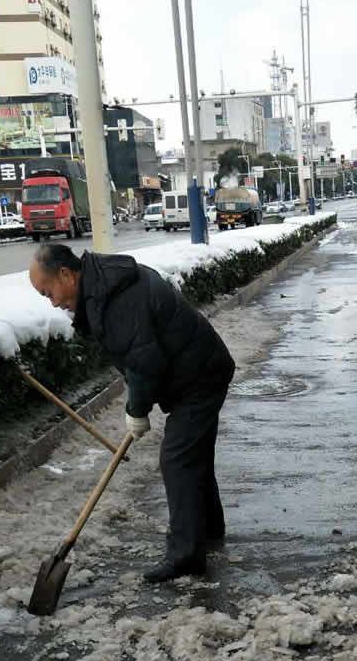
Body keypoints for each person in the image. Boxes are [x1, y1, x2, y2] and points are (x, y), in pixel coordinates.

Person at [29, 243, 235, 583]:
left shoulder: (115, 297)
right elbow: (137, 355)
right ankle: (207, 530)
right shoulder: (103, 287)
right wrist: (139, 403)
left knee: (177, 460)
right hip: (196, 369)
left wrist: (136, 409)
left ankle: (186, 555)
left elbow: (143, 361)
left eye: (48, 292)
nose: (52, 302)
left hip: (200, 376)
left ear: (66, 275)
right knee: (192, 455)